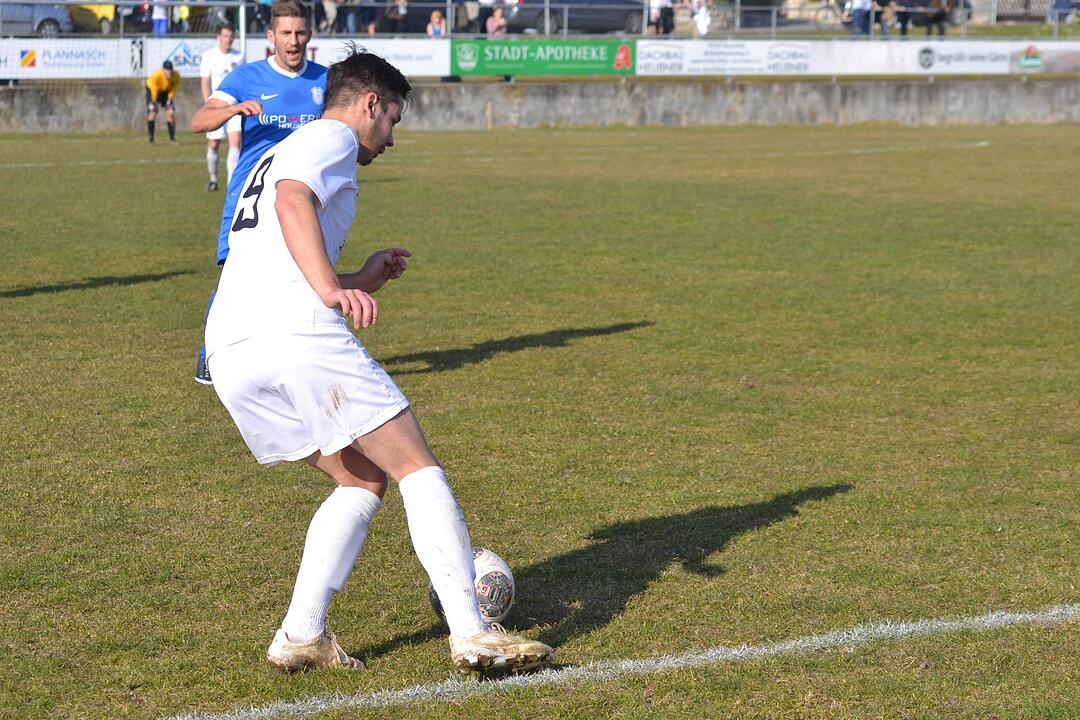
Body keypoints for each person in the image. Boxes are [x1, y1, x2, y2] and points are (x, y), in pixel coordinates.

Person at [204, 48, 556, 674]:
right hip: (294, 335)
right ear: (369, 104)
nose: (391, 137)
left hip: (232, 344)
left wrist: (355, 276)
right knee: (416, 467)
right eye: (392, 119)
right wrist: (335, 292)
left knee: (361, 479)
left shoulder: (278, 151)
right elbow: (292, 203)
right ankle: (473, 632)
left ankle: (301, 635)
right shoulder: (332, 138)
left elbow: (275, 251)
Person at [190, 0, 327, 385]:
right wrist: (231, 111)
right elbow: (199, 120)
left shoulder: (325, 81)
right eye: (286, 33)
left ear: (309, 35)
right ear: (271, 37)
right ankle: (208, 356)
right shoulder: (246, 77)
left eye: (300, 32)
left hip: (303, 198)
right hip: (250, 197)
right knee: (236, 277)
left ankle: (306, 356)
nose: (294, 40)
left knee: (307, 275)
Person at [200, 24, 244, 192]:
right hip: (216, 107)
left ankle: (231, 185)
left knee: (236, 142)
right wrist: (208, 107)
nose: (229, 39)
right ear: (218, 37)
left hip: (235, 108)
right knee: (213, 144)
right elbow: (205, 82)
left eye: (231, 36)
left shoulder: (239, 56)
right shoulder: (208, 56)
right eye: (225, 36)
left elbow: (243, 81)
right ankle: (213, 178)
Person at [145, 60, 180, 144]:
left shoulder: (176, 76)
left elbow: (173, 88)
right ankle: (151, 139)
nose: (169, 72)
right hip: (152, 90)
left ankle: (172, 138)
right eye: (167, 70)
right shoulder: (156, 76)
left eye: (170, 70)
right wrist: (154, 102)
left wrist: (169, 100)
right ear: (163, 70)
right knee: (153, 112)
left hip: (166, 92)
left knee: (170, 113)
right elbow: (154, 89)